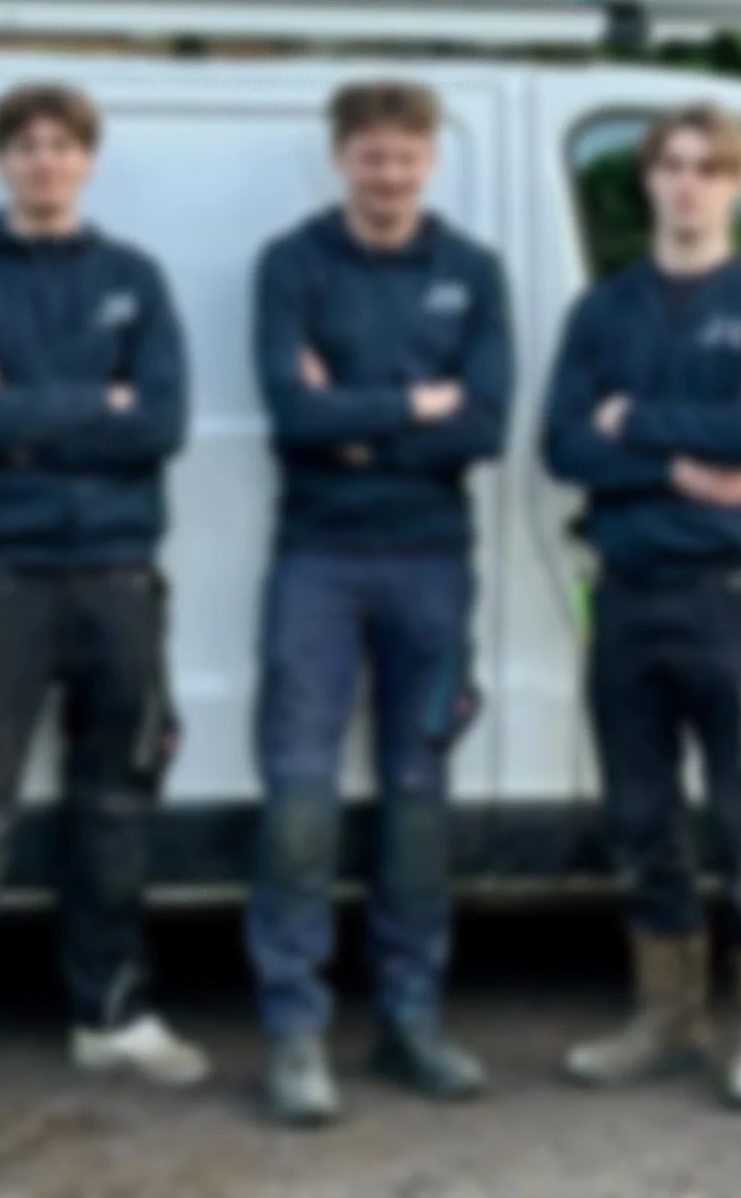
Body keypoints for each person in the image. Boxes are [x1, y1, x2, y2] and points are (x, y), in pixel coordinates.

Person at [0, 84, 208, 1130]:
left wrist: (28, 415)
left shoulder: (134, 277)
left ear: (87, 161)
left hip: (121, 575)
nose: (45, 161)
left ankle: (109, 1013)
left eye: (63, 145)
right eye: (25, 145)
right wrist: (98, 400)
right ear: (1, 162)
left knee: (116, 805)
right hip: (4, 575)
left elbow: (163, 422)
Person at [246, 81, 512, 1126]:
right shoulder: (292, 263)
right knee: (299, 795)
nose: (389, 174)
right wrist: (413, 403)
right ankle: (294, 1030)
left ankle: (410, 1017)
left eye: (406, 156)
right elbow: (290, 414)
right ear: (340, 158)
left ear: (430, 160)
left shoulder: (472, 272)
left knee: (417, 793)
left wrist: (353, 422)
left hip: (432, 563)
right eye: (371, 155)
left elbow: (485, 426)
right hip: (317, 559)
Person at [542, 102, 741, 1112]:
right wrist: (675, 466)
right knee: (640, 820)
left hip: (733, 602)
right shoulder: (602, 309)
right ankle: (667, 1018)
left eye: (708, 168)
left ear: (734, 184)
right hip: (626, 601)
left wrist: (631, 423)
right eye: (672, 166)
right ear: (649, 180)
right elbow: (561, 444)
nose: (688, 185)